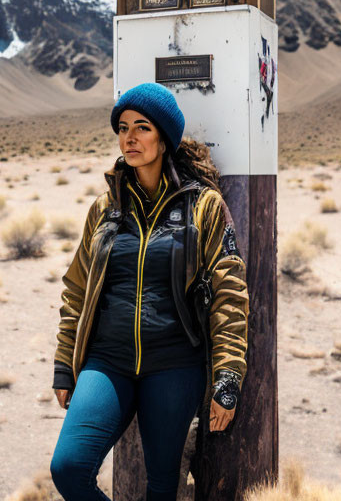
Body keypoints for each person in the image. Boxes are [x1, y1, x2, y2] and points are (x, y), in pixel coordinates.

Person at [49, 82, 250, 501]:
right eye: (123, 128)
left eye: (142, 127)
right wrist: (66, 364)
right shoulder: (105, 209)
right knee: (68, 468)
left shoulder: (203, 206)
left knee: (162, 486)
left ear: (164, 138)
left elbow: (229, 291)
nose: (130, 138)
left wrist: (228, 376)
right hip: (108, 362)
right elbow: (77, 290)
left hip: (175, 363)